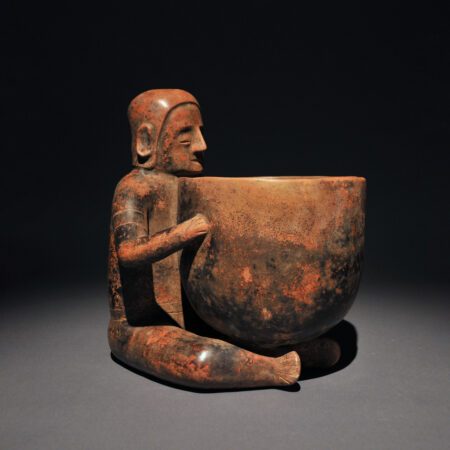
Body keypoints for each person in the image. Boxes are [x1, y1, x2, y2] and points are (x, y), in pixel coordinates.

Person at [108, 89, 301, 389]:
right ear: (146, 142)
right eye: (186, 138)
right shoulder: (133, 188)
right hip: (139, 325)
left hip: (192, 314)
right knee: (199, 359)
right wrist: (183, 232)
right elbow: (128, 253)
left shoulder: (188, 186)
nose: (201, 145)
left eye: (200, 133)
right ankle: (273, 370)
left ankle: (289, 354)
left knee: (250, 333)